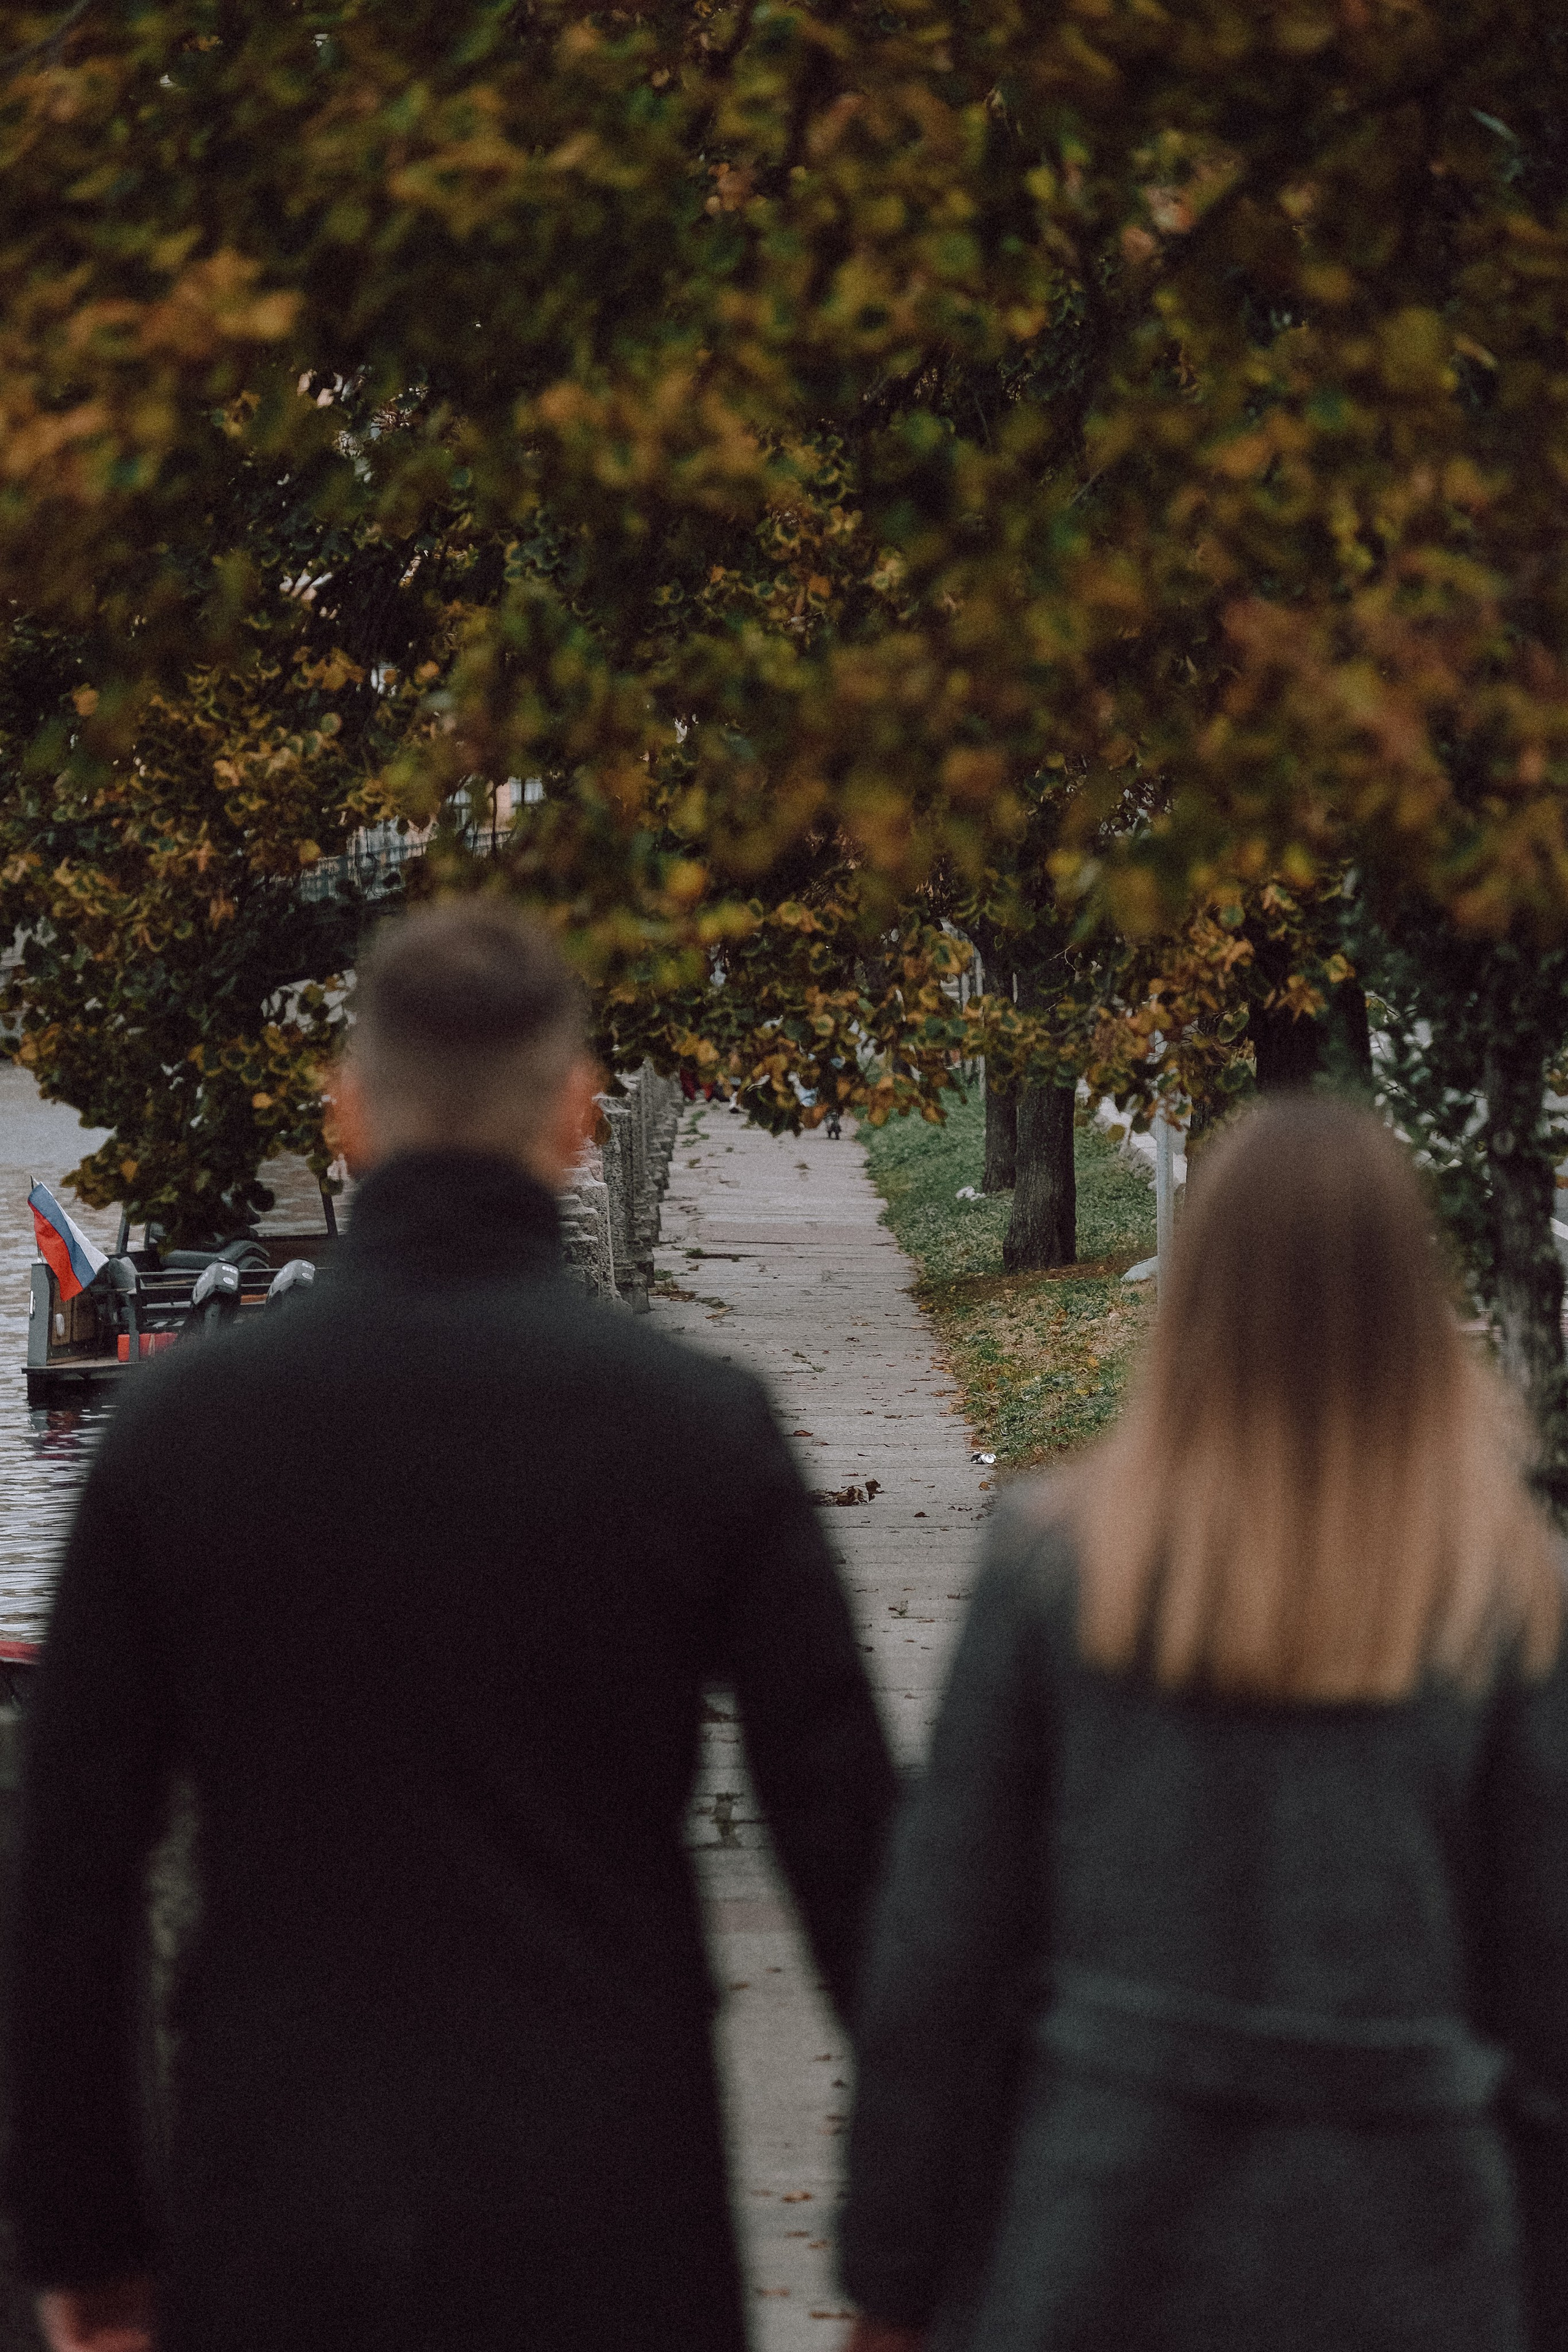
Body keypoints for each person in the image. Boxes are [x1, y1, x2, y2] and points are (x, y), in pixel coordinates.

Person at [6, 900, 898, 2352]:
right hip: (608, 2210)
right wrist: (907, 2252)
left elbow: (71, 1877)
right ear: (573, 1116)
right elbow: (855, 1856)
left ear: (346, 1113)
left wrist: (86, 2240)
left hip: (278, 2207)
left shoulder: (181, 1436)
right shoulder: (695, 1432)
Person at [840, 1095, 1568, 2352]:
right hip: (1409, 2243)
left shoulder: (1061, 1565)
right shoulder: (1506, 1596)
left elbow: (941, 1951)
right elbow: (1545, 1981)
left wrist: (891, 2279)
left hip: (1103, 2222)